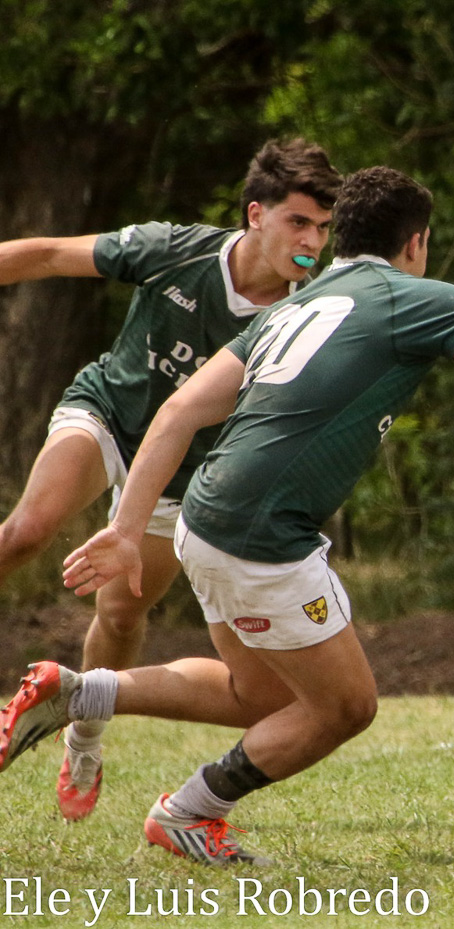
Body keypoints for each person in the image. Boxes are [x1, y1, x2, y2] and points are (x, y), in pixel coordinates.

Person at [0, 166, 454, 865]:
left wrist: (129, 527)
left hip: (203, 518)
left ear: (342, 235)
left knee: (255, 694)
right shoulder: (407, 298)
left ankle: (79, 688)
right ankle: (187, 812)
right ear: (414, 243)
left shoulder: (293, 305)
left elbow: (182, 408)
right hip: (262, 537)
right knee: (346, 707)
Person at [0, 138, 341, 822]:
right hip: (109, 417)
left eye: (325, 229)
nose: (313, 242)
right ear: (255, 215)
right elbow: (44, 254)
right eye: (298, 223)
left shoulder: (307, 315)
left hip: (184, 475)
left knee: (122, 613)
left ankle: (84, 736)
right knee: (26, 530)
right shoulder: (175, 249)